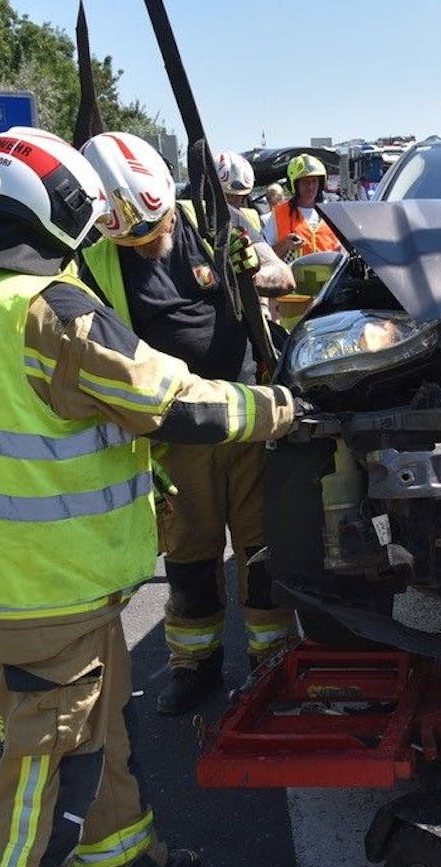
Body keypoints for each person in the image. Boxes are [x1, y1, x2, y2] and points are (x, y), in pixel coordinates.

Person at [0, 126, 305, 867]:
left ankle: (121, 863)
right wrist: (281, 407)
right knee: (49, 765)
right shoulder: (49, 310)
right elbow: (172, 401)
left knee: (100, 731)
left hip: (2, 575)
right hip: (48, 582)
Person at [80, 131, 296, 716]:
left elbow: (285, 277)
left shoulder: (216, 222)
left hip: (251, 417)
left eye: (155, 232)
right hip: (175, 432)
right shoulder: (93, 259)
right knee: (190, 558)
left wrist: (256, 268)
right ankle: (193, 667)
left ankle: (270, 662)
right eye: (134, 239)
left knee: (259, 549)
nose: (149, 247)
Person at [262, 153, 340, 260]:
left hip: (330, 276)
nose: (310, 186)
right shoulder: (279, 214)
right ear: (295, 185)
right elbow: (265, 257)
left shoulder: (332, 213)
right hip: (292, 276)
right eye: (305, 182)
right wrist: (284, 245)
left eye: (314, 181)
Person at [215, 150, 262, 235]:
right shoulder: (197, 220)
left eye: (239, 196)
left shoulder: (252, 218)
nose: (234, 201)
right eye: (228, 196)